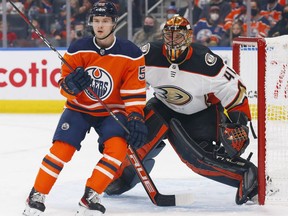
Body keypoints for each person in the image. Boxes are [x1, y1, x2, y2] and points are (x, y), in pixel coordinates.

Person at [105, 15, 259, 206]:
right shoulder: (148, 54)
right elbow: (127, 82)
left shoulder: (205, 61)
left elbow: (235, 88)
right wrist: (116, 115)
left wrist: (239, 122)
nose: (173, 41)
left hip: (200, 114)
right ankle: (123, 176)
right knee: (135, 138)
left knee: (197, 160)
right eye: (169, 36)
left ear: (189, 37)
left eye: (178, 36)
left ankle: (248, 174)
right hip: (163, 106)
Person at [23, 2, 147, 216]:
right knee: (61, 150)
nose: (100, 26)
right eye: (97, 21)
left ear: (114, 23)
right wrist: (70, 86)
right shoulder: (78, 48)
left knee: (117, 151)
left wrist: (136, 116)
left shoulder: (131, 54)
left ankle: (90, 196)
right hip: (79, 108)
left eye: (105, 21)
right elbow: (64, 86)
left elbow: (133, 93)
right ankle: (37, 194)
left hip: (111, 112)